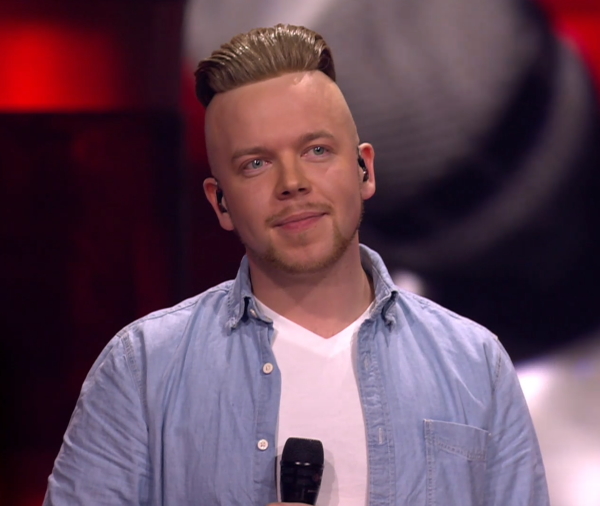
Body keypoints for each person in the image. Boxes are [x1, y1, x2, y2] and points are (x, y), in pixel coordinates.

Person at [43, 24, 549, 505]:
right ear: (220, 203)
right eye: (255, 164)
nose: (292, 182)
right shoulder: (143, 369)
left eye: (317, 150)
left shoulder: (474, 364)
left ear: (365, 170)